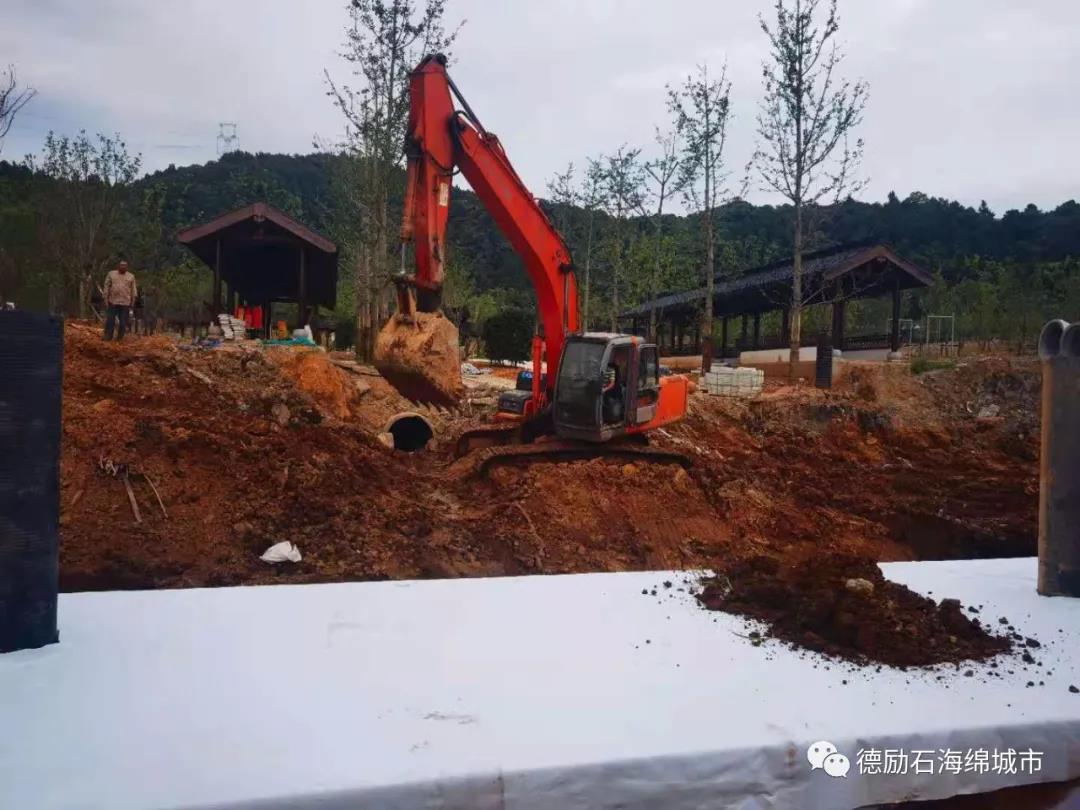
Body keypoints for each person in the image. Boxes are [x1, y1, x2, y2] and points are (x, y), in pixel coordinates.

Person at [103, 260, 137, 341]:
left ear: (127, 267)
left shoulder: (131, 276)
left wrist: (133, 302)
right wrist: (105, 298)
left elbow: (133, 290)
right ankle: (108, 336)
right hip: (113, 301)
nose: (123, 267)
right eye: (121, 265)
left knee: (123, 323)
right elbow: (106, 286)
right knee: (110, 321)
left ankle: (119, 338)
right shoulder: (111, 274)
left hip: (125, 303)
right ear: (118, 266)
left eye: (125, 265)